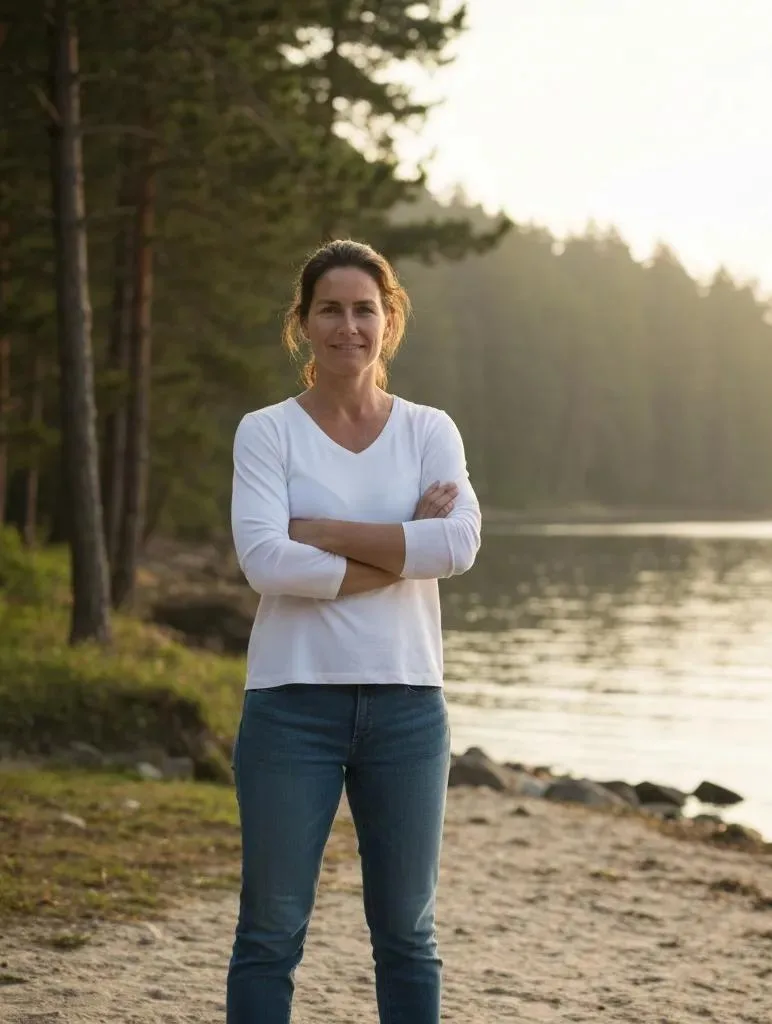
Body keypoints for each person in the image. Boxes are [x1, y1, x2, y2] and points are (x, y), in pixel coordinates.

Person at [226, 239, 481, 1024]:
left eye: (364, 309)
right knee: (271, 931)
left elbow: (460, 545)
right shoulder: (267, 432)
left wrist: (327, 531)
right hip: (290, 706)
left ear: (389, 319)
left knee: (407, 932)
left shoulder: (430, 429)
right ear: (303, 324)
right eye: (329, 310)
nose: (348, 326)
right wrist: (405, 545)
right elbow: (268, 561)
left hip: (407, 707)